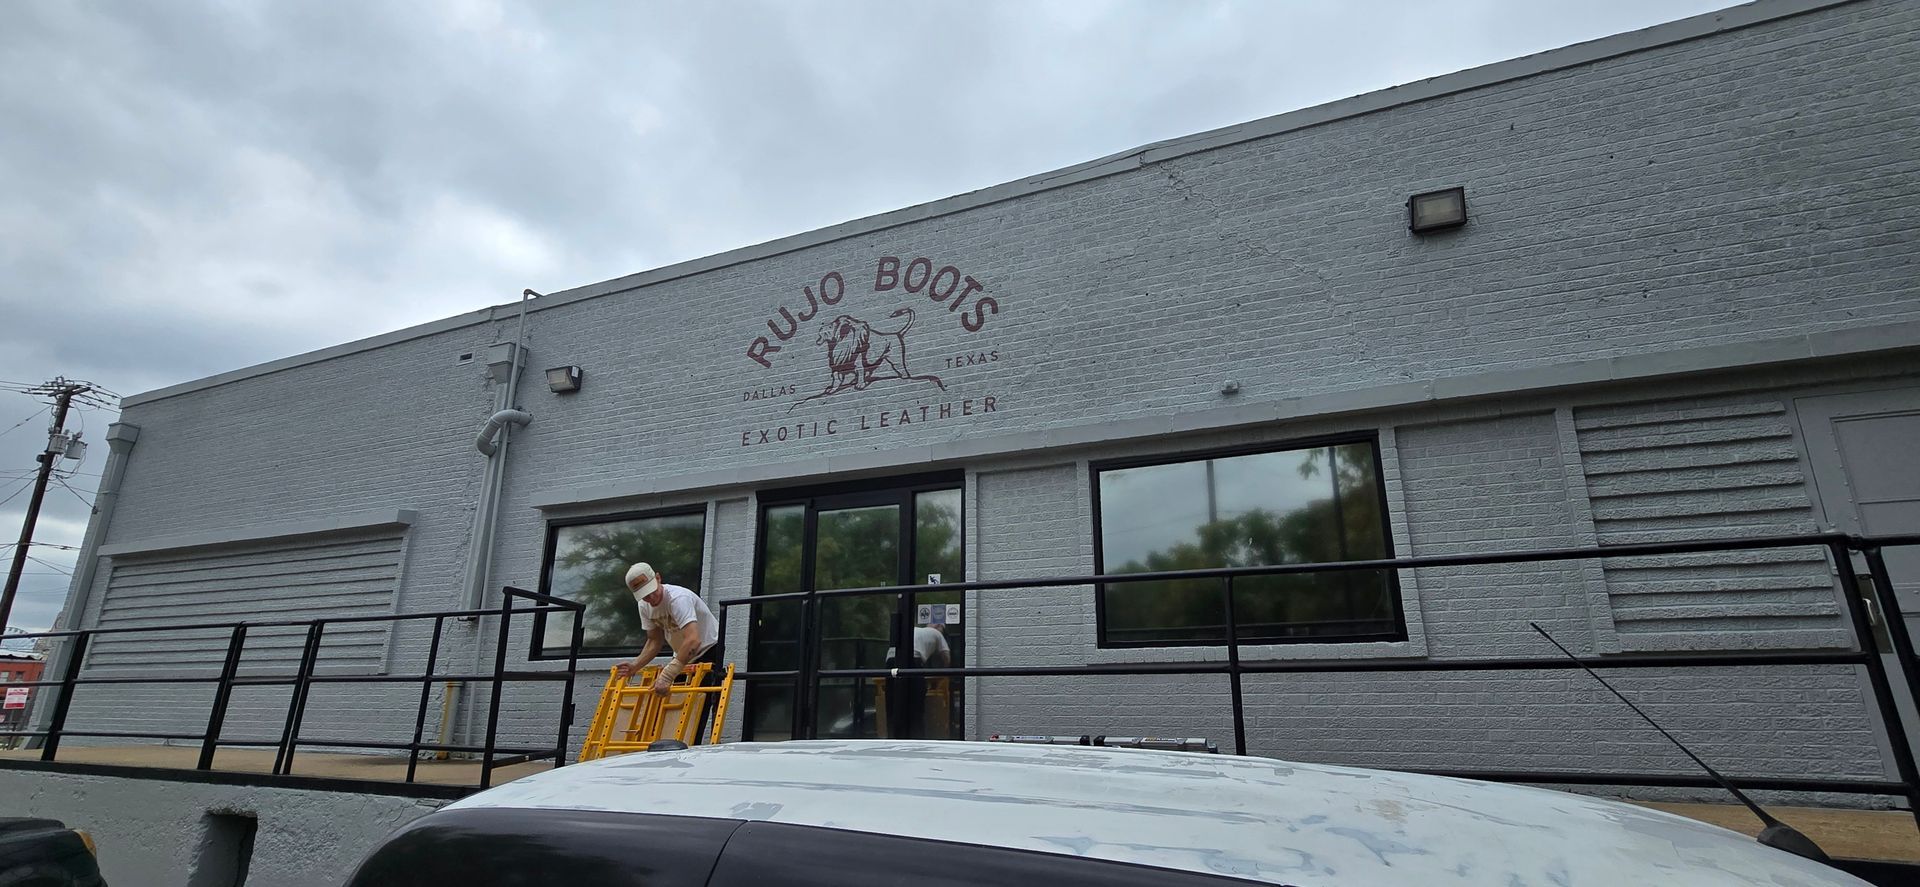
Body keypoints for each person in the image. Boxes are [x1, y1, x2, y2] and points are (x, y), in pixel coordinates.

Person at [614, 563, 722, 718]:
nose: (651, 598)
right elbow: (654, 641)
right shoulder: (644, 606)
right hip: (682, 654)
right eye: (645, 595)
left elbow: (693, 640)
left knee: (697, 710)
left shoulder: (678, 598)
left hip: (708, 648)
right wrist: (635, 665)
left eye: (651, 591)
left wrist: (667, 676)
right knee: (675, 710)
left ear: (658, 578)